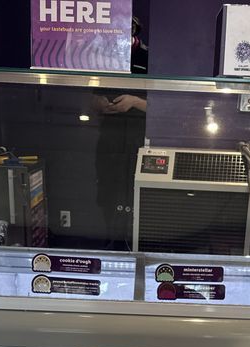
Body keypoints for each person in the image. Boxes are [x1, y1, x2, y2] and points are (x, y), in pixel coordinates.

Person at [93, 17, 148, 250]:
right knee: (107, 190)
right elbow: (90, 99)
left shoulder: (148, 57)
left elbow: (164, 105)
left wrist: (135, 102)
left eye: (131, 28)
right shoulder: (102, 56)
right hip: (109, 136)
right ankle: (111, 238)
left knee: (136, 191)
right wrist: (100, 104)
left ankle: (134, 242)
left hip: (138, 135)